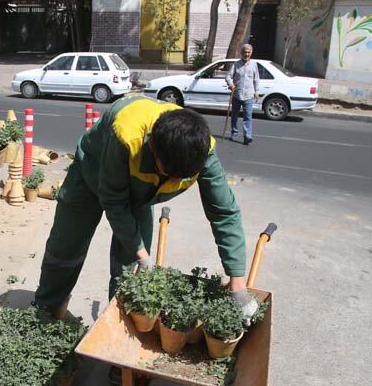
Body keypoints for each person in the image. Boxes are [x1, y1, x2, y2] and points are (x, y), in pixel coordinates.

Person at [34, 95, 258, 325]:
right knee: (66, 249)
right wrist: (142, 254)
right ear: (152, 147)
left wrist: (238, 284)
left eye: (182, 177)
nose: (174, 180)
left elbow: (224, 212)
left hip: (140, 194)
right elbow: (113, 200)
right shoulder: (126, 135)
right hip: (91, 173)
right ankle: (45, 314)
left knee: (129, 271)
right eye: (168, 174)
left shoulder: (202, 150)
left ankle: (119, 334)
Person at [225, 44, 260, 145]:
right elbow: (228, 76)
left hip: (249, 95)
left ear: (251, 53)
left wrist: (257, 91)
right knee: (234, 115)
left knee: (248, 116)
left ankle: (247, 136)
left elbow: (256, 80)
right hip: (236, 94)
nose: (247, 54)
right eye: (245, 52)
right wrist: (230, 83)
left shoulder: (254, 65)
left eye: (249, 52)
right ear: (242, 53)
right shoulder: (236, 64)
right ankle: (234, 132)